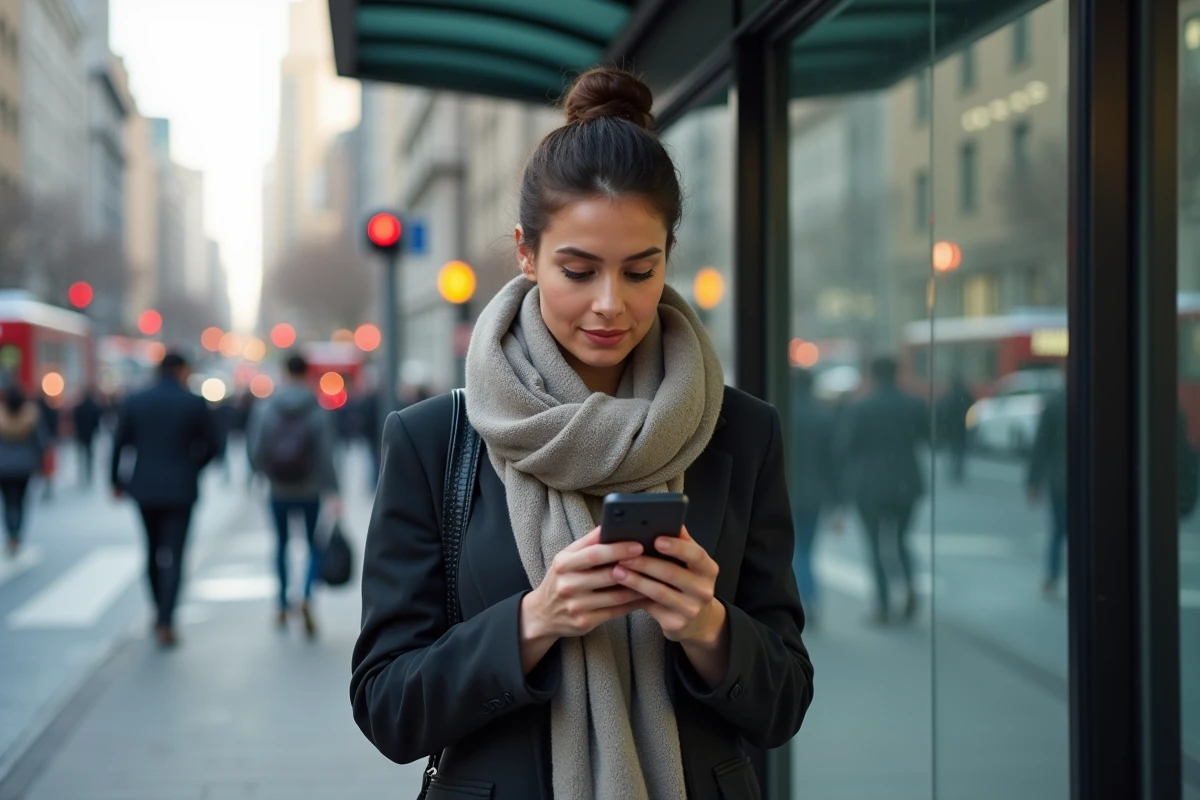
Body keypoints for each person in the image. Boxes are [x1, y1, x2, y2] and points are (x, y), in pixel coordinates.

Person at [350, 68, 813, 800]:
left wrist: (708, 627)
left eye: (640, 270)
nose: (610, 305)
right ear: (526, 253)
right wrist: (535, 621)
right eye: (578, 269)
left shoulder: (740, 432)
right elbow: (388, 707)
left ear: (669, 257)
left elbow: (784, 699)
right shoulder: (435, 440)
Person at [111, 352, 220, 647]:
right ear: (181, 369)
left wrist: (116, 481)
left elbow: (120, 442)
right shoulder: (193, 402)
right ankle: (166, 619)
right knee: (175, 554)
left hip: (144, 488)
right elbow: (213, 445)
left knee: (151, 550)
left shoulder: (136, 400)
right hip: (181, 489)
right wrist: (191, 467)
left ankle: (158, 609)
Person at [247, 353, 340, 636]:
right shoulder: (318, 409)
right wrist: (334, 491)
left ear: (284, 372)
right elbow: (326, 454)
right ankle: (307, 596)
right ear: (307, 373)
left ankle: (281, 604)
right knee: (315, 544)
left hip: (278, 489)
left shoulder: (266, 408)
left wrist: (261, 474)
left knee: (281, 544)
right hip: (311, 489)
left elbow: (255, 449)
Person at [840, 355, 929, 624]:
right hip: (906, 482)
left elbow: (846, 446)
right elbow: (926, 437)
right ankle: (910, 585)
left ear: (873, 375)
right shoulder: (914, 404)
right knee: (901, 540)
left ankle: (883, 604)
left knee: (874, 545)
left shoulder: (861, 408)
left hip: (870, 485)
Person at [788, 367, 839, 626]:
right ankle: (810, 599)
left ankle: (803, 600)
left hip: (785, 492)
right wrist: (837, 501)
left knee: (794, 551)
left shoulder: (780, 411)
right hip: (814, 494)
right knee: (807, 549)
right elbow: (832, 462)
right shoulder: (823, 415)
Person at [1027, 387, 1067, 598]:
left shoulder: (1055, 404)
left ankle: (1052, 578)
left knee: (1058, 532)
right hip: (1087, 481)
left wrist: (1034, 482)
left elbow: (1041, 446)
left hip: (1060, 480)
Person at [0, 386, 45, 558]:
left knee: (8, 502)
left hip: (3, 466)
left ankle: (11, 536)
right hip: (25, 466)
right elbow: (41, 442)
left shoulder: (1, 417)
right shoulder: (31, 417)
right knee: (20, 502)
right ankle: (17, 534)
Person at [936, 374, 975, 483]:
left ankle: (953, 468)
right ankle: (958, 469)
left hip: (952, 428)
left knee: (953, 448)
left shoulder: (949, 396)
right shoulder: (966, 395)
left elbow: (942, 411)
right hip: (963, 426)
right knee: (961, 449)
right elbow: (973, 408)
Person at [72, 389, 104, 486]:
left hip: (81, 434)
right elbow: (97, 422)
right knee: (89, 456)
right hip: (90, 434)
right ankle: (89, 475)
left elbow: (75, 421)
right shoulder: (95, 407)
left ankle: (81, 475)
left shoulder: (79, 407)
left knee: (81, 456)